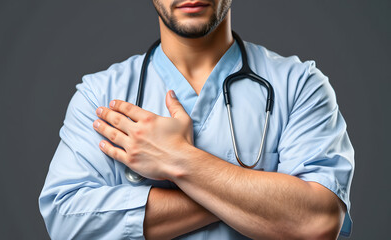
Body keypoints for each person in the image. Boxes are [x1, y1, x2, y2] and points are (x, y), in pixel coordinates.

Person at [39, 0, 354, 239]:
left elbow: (319, 221)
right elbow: (67, 219)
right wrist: (258, 200)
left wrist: (179, 159)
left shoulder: (300, 84)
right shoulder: (100, 94)